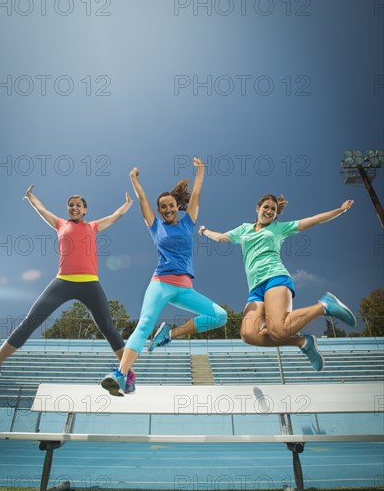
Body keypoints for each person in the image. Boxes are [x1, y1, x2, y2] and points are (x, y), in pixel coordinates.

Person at [0, 186, 137, 392]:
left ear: (85, 210)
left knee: (108, 328)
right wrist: (31, 196)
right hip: (63, 281)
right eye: (71, 205)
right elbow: (42, 210)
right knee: (29, 322)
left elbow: (114, 216)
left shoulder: (93, 226)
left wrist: (128, 205)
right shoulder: (60, 224)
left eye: (78, 205)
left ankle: (128, 374)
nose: (74, 207)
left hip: (90, 283)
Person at [100, 157, 228, 396]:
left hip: (185, 288)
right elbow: (143, 200)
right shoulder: (155, 226)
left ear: (176, 207)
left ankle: (170, 334)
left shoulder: (188, 222)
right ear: (159, 211)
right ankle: (121, 374)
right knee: (145, 323)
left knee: (220, 317)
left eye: (171, 206)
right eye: (163, 207)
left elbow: (197, 193)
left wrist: (201, 170)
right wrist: (133, 179)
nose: (168, 210)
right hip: (160, 284)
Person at [197, 194, 356, 371]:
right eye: (266, 207)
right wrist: (205, 231)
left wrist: (340, 210)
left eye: (273, 209)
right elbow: (222, 238)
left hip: (275, 278)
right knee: (249, 334)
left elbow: (313, 220)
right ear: (258, 208)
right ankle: (303, 342)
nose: (269, 211)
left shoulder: (279, 228)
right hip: (255, 289)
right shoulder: (244, 229)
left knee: (278, 331)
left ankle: (324, 306)